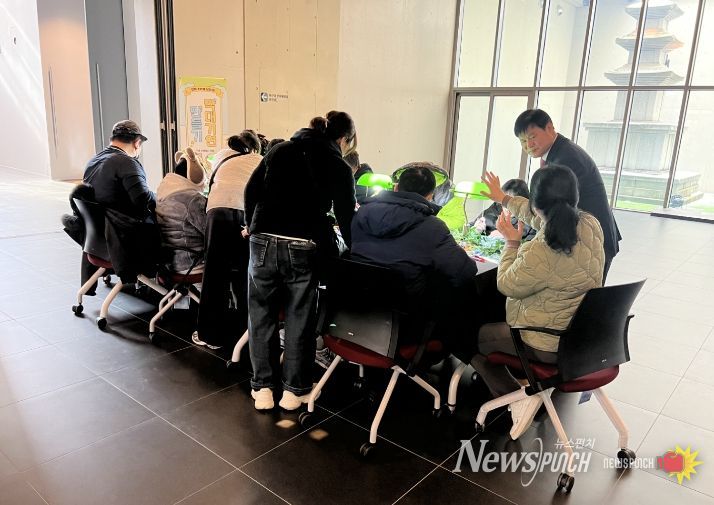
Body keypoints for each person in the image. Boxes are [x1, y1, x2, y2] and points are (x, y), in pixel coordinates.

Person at [474, 164, 605, 440]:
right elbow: (542, 218)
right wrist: (504, 199)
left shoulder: (542, 250)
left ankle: (516, 396)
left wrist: (512, 244)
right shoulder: (591, 225)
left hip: (546, 343)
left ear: (536, 203)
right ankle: (523, 386)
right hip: (582, 338)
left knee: (475, 337)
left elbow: (506, 284)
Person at [244, 111, 357, 411]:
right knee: (299, 319)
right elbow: (347, 217)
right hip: (303, 244)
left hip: (262, 239)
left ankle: (262, 389)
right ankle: (294, 392)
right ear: (343, 139)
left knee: (261, 315)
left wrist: (251, 225)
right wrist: (354, 246)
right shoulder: (338, 166)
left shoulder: (280, 149)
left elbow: (251, 189)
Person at [350, 162, 479, 352]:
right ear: (430, 196)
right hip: (403, 329)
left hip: (353, 317)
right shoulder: (432, 227)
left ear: (396, 187)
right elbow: (466, 272)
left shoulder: (362, 213)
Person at [513, 109, 620, 280]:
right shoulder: (559, 152)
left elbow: (551, 208)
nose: (528, 145)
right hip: (588, 235)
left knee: (581, 295)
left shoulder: (566, 159)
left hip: (592, 239)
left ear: (549, 127)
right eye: (523, 141)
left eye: (532, 137)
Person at [194, 130, 263, 350]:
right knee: (245, 272)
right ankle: (245, 331)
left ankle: (210, 335)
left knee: (214, 274)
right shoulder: (259, 159)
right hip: (246, 213)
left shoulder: (223, 156)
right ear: (256, 148)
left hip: (219, 211)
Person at [78, 120, 159, 285]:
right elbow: (143, 200)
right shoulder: (127, 163)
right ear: (137, 143)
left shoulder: (93, 161)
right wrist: (161, 197)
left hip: (98, 240)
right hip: (124, 240)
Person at [155, 147, 207, 273]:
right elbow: (212, 232)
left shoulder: (163, 194)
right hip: (192, 263)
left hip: (169, 262)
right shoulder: (193, 200)